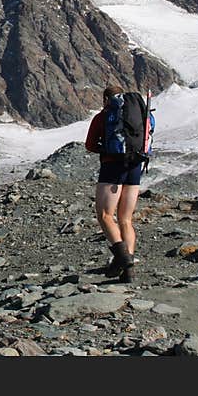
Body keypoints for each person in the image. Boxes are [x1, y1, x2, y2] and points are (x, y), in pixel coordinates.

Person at [85, 85, 146, 283]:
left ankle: (122, 258)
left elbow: (90, 145)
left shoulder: (104, 116)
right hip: (135, 167)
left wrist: (106, 148)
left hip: (112, 166)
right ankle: (128, 272)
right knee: (126, 219)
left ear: (105, 100)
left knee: (105, 215)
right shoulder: (138, 115)